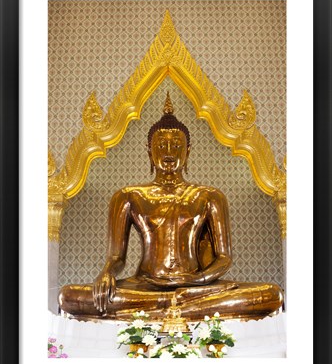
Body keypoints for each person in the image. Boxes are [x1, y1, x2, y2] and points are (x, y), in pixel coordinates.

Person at [59, 93, 283, 321]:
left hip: (196, 286)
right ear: (149, 150)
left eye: (176, 145)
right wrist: (106, 274)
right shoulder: (128, 196)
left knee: (270, 294)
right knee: (69, 296)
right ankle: (175, 307)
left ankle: (158, 310)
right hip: (145, 285)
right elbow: (117, 257)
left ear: (188, 151)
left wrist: (196, 280)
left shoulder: (210, 196)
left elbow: (224, 258)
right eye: (161, 144)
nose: (168, 151)